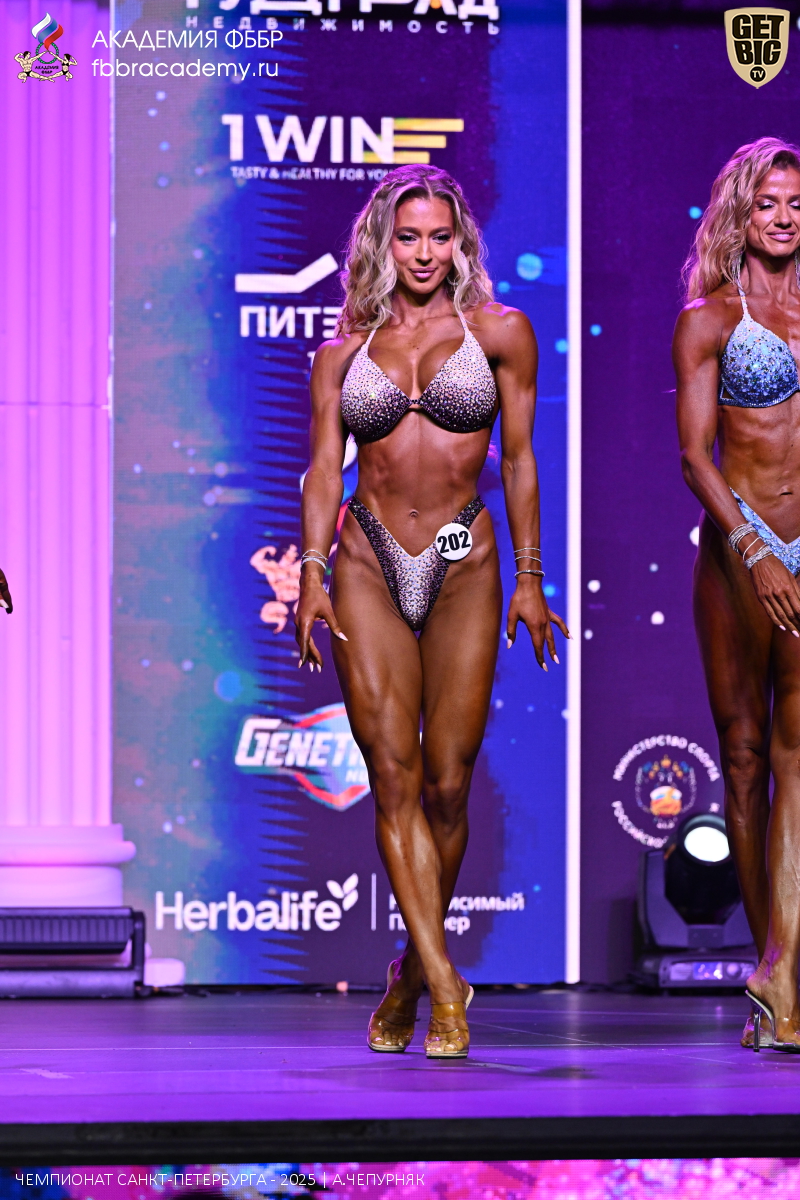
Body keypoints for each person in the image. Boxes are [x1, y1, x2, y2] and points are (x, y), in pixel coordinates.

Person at [295, 165, 568, 1058]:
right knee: (395, 775)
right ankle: (448, 985)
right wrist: (311, 573)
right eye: (407, 237)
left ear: (461, 243)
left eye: (438, 237)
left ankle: (412, 973)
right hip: (367, 558)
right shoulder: (343, 352)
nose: (423, 253)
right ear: (384, 244)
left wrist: (531, 576)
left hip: (464, 557)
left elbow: (519, 461)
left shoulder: (501, 333)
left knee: (449, 784)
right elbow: (322, 470)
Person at [674, 137, 800, 1052]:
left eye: (796, 204)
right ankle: (769, 960)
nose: (785, 218)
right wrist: (754, 547)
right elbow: (694, 455)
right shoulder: (710, 318)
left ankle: (786, 972)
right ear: (741, 214)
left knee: (799, 754)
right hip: (738, 551)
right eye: (769, 203)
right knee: (748, 759)